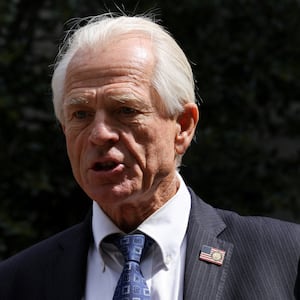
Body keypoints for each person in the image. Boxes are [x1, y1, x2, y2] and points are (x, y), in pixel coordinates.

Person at [0, 13, 299, 300]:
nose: (99, 134)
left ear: (182, 127)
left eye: (126, 110)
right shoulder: (18, 282)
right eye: (81, 114)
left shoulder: (286, 257)